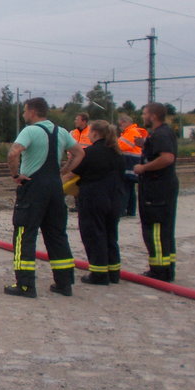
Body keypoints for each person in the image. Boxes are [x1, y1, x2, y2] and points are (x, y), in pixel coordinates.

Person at [4, 97, 84, 297]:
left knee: (24, 234)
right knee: (57, 235)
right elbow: (79, 153)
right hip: (55, 188)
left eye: (24, 111)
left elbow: (13, 153)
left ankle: (25, 285)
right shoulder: (62, 132)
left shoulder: (30, 131)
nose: (23, 115)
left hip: (33, 187)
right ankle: (64, 283)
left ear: (32, 111)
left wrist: (15, 175)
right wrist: (64, 171)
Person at [64, 119, 126, 285]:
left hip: (94, 198)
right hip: (115, 198)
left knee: (94, 234)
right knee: (111, 234)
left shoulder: (89, 153)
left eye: (90, 132)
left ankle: (98, 274)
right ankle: (114, 273)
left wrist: (58, 181)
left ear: (95, 134)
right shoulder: (117, 152)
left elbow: (73, 173)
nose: (88, 134)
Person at [134, 102, 179, 282]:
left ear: (153, 116)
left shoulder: (161, 134)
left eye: (144, 113)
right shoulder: (163, 133)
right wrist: (144, 143)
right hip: (162, 187)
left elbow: (167, 157)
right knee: (165, 230)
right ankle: (167, 267)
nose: (143, 116)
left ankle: (159, 271)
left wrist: (144, 168)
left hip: (157, 189)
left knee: (155, 229)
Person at [117, 112, 148, 217]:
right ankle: (131, 210)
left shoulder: (131, 132)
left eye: (121, 124)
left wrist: (112, 145)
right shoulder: (131, 131)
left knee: (125, 187)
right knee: (129, 188)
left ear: (126, 122)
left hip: (130, 162)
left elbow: (122, 146)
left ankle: (122, 210)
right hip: (133, 161)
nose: (120, 127)